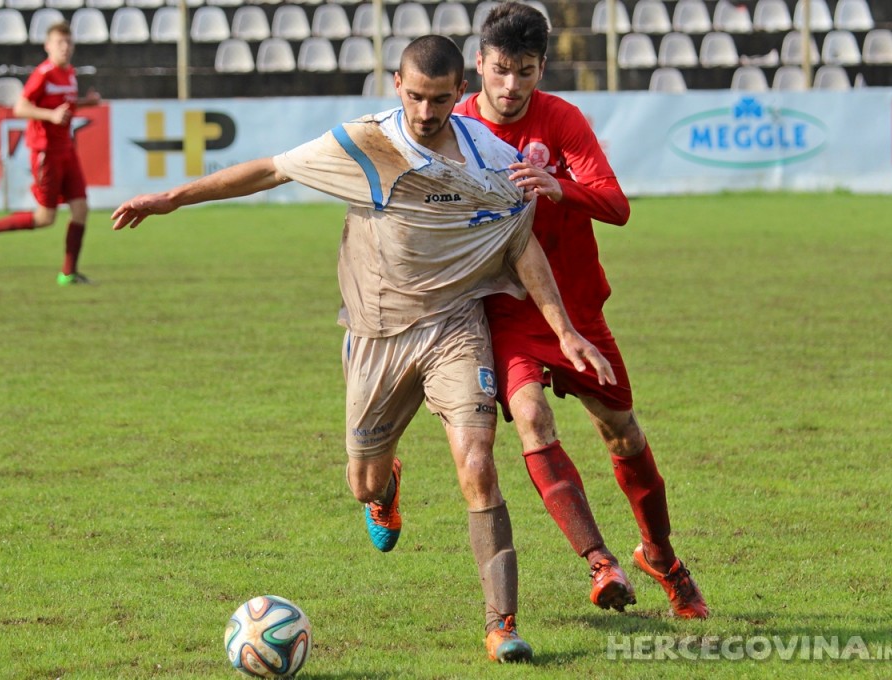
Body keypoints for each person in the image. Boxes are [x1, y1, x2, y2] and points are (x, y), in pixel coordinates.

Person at [111, 35, 616, 662]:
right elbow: (270, 168)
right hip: (377, 336)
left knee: (478, 465)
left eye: (438, 99)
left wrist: (564, 329)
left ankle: (502, 624)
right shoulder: (368, 143)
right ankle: (386, 488)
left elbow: (520, 246)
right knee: (363, 484)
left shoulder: (491, 158)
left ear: (460, 93)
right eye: (414, 97)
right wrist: (172, 198)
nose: (426, 112)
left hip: (456, 329)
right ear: (395, 86)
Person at [455, 2, 709, 619]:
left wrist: (560, 186)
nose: (512, 87)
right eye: (501, 70)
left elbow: (617, 206)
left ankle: (661, 556)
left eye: (526, 71)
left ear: (541, 68)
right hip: (510, 308)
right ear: (480, 64)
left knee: (622, 434)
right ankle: (601, 564)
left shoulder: (562, 121)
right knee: (533, 419)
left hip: (577, 307)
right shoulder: (455, 124)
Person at [0, 21, 100, 287]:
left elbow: (65, 105)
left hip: (67, 151)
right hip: (46, 152)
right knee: (44, 218)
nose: (65, 47)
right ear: (47, 46)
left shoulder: (69, 73)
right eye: (60, 42)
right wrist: (50, 115)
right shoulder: (43, 74)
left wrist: (86, 103)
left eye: (69, 42)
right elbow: (20, 108)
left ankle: (68, 273)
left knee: (81, 208)